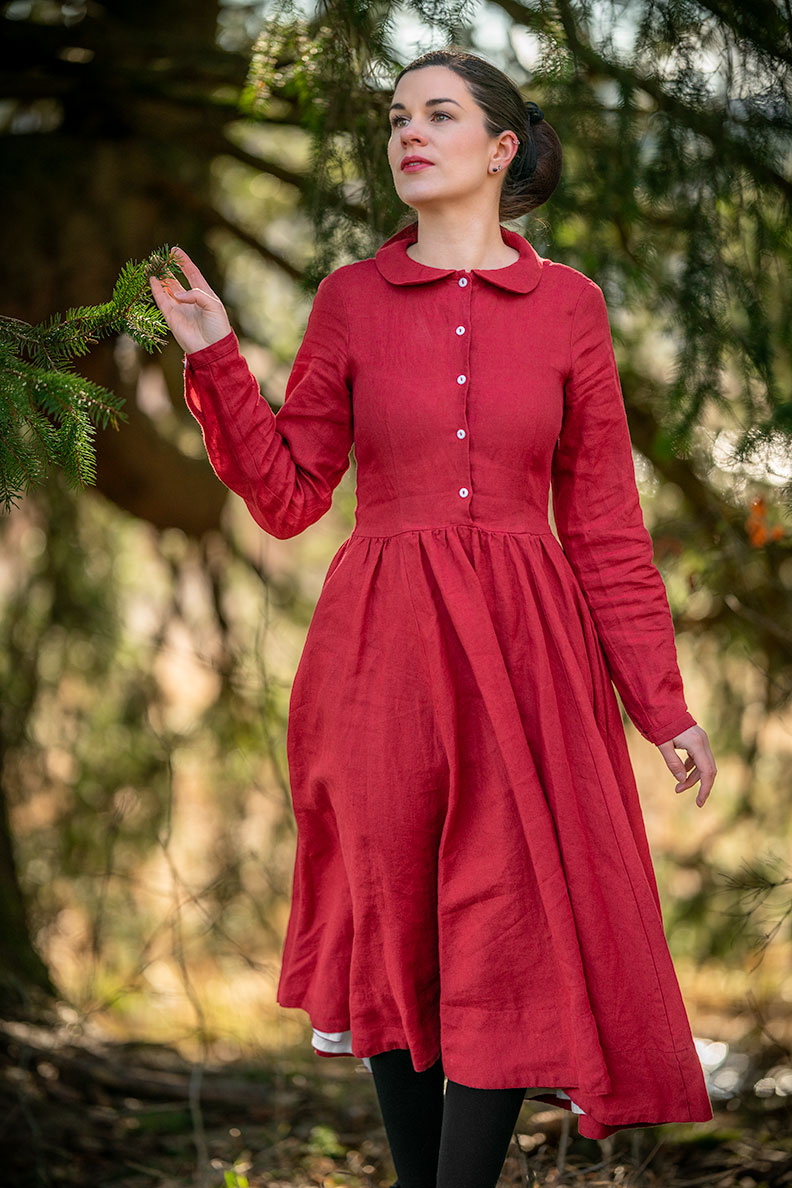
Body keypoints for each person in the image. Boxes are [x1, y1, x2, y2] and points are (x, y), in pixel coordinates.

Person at [150, 45, 717, 1188]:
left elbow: (606, 527)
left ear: (500, 149)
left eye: (438, 115)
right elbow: (291, 494)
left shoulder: (570, 310)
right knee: (397, 925)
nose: (408, 132)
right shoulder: (352, 300)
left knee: (505, 919)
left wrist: (662, 705)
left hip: (527, 655)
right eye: (397, 116)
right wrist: (215, 356)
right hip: (381, 656)